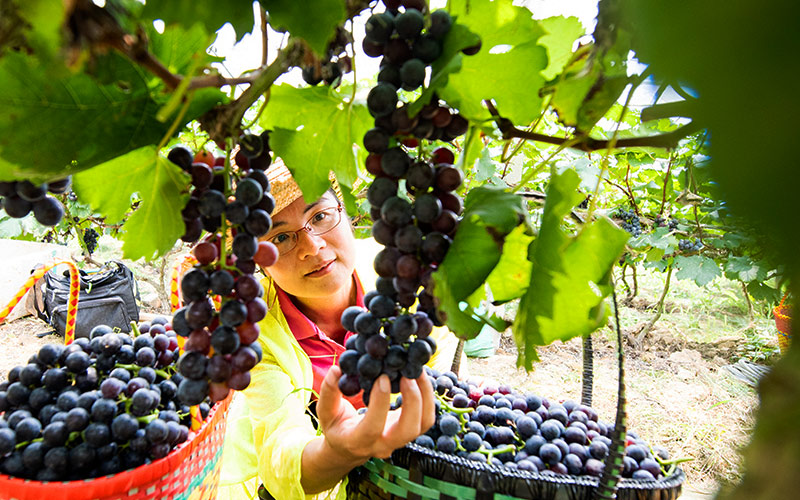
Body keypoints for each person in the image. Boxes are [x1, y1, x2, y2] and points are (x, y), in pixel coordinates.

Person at [217, 159, 466, 500]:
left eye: (319, 217)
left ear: (344, 212)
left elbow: (444, 390)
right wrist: (341, 452)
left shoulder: (405, 276)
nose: (312, 247)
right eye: (281, 236)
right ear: (258, 260)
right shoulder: (252, 335)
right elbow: (280, 456)